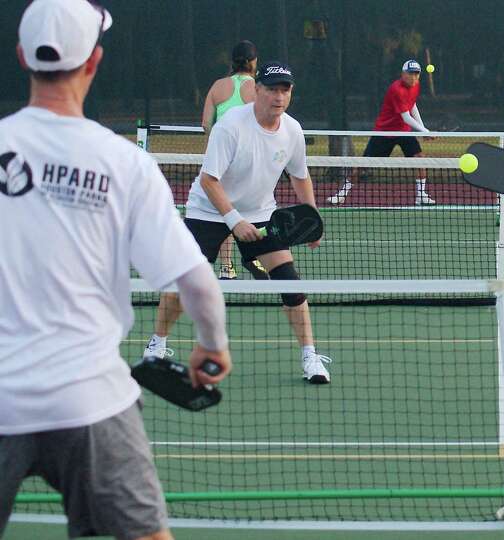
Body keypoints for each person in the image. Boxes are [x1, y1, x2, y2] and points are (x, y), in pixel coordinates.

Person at [1, 2, 231, 539]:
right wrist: (212, 346)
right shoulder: (125, 164)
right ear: (95, 61)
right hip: (91, 401)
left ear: (21, 58)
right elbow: (196, 280)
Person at [143, 61, 334, 385]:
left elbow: (300, 176)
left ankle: (310, 357)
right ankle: (156, 346)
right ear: (256, 90)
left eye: (284, 89)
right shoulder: (231, 126)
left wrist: (310, 218)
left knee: (290, 284)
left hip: (262, 213)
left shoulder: (293, 131)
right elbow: (209, 180)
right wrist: (234, 221)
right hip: (208, 212)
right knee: (182, 284)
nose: (278, 96)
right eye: (271, 89)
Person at [327, 59, 435, 206]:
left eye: (416, 74)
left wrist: (423, 128)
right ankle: (341, 194)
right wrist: (424, 131)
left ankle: (421, 195)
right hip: (385, 132)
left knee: (420, 159)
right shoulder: (396, 89)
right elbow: (406, 116)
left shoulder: (416, 86)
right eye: (410, 74)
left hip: (404, 132)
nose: (414, 77)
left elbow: (412, 105)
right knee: (363, 165)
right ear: (403, 74)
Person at [200, 40, 261, 280]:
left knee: (224, 211)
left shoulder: (217, 86)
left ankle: (227, 268)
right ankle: (253, 255)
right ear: (254, 62)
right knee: (254, 208)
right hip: (247, 159)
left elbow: (206, 124)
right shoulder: (256, 88)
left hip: (218, 162)